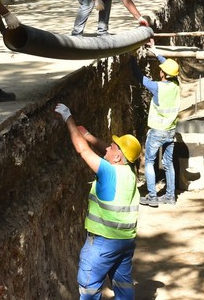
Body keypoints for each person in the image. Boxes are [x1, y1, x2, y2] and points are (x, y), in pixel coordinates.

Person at [54, 102, 141, 300]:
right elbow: (105, 150)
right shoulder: (129, 171)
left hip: (103, 244)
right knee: (123, 285)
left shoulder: (108, 171)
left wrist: (68, 118)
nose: (108, 146)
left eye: (113, 146)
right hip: (125, 242)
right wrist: (88, 135)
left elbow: (83, 151)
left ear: (118, 156)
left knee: (89, 288)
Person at [131, 44, 181, 207]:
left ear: (163, 74)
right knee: (168, 164)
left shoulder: (157, 87)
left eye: (161, 69)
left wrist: (131, 59)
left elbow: (140, 77)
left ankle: (152, 196)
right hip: (170, 131)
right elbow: (170, 67)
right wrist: (156, 52)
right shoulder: (176, 85)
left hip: (157, 131)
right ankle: (170, 196)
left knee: (150, 162)